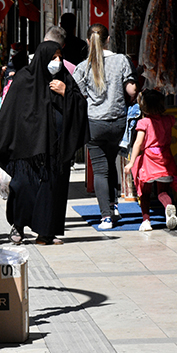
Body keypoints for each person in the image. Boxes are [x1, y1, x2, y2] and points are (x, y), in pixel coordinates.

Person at [0, 41, 89, 245]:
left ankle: (46, 233)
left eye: (59, 57)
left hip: (55, 149)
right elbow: (9, 113)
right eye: (53, 57)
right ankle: (18, 226)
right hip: (27, 149)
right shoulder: (24, 79)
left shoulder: (64, 79)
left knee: (51, 190)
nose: (58, 61)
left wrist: (66, 93)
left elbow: (81, 106)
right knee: (23, 187)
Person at [73, 24, 136, 229]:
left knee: (100, 170)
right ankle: (113, 204)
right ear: (108, 39)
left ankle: (106, 216)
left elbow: (78, 94)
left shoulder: (83, 66)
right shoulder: (121, 60)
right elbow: (131, 90)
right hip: (117, 121)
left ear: (89, 42)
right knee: (111, 164)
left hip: (94, 124)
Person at [124, 90, 177, 231]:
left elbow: (138, 143)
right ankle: (168, 206)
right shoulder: (168, 119)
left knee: (144, 193)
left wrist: (131, 162)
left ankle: (146, 221)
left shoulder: (144, 123)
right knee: (163, 192)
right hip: (165, 159)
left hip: (149, 162)